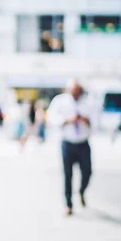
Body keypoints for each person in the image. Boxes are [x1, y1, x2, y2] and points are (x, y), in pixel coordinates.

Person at [46, 79, 96, 216]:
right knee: (67, 174)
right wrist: (68, 120)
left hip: (83, 143)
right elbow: (51, 118)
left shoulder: (89, 103)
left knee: (87, 171)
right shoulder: (60, 101)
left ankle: (81, 190)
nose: (75, 93)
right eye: (73, 90)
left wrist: (85, 120)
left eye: (77, 90)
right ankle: (68, 204)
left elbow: (96, 120)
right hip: (67, 142)